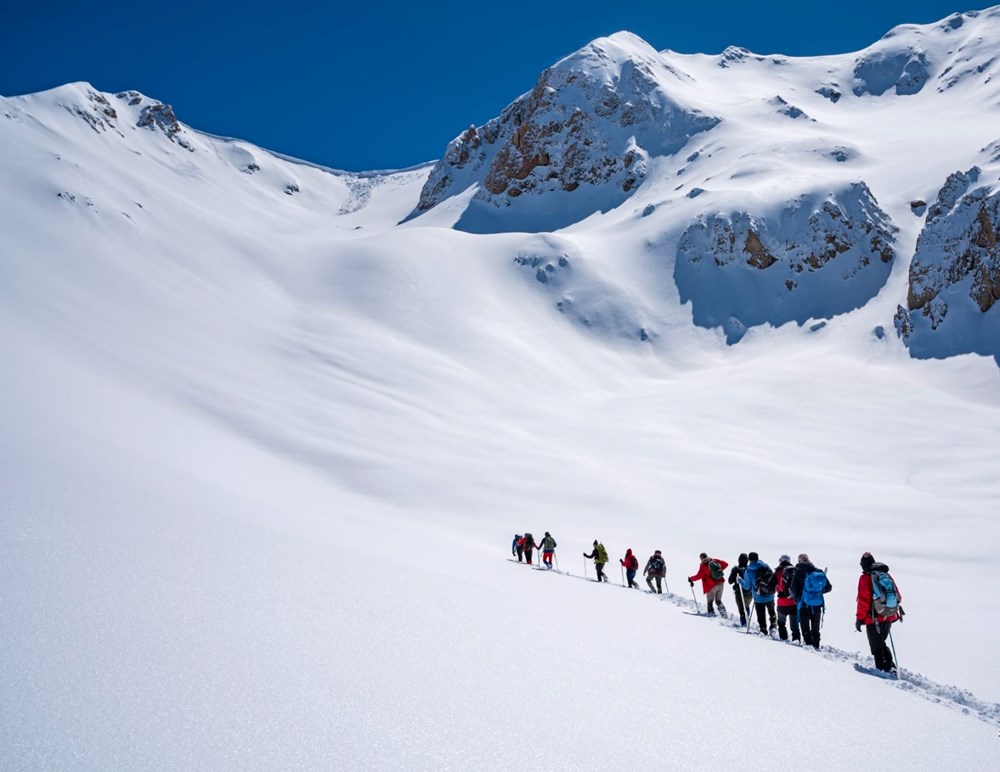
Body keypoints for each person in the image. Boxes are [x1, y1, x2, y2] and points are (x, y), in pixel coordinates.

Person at [855, 552, 902, 674]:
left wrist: (859, 619)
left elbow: (863, 601)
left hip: (873, 618)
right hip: (888, 615)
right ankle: (890, 667)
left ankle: (883, 672)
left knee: (876, 647)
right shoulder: (886, 575)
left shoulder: (865, 578)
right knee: (881, 643)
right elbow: (898, 595)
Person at [791, 553, 831, 649]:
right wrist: (818, 592)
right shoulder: (818, 572)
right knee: (815, 629)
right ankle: (816, 646)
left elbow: (793, 590)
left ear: (799, 561)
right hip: (817, 605)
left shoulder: (798, 573)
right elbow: (828, 587)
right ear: (809, 560)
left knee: (805, 629)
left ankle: (809, 648)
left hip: (804, 605)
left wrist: (797, 599)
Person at [742, 551, 777, 635]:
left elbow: (747, 586)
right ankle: (773, 626)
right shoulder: (765, 566)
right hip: (770, 594)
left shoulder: (748, 570)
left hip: (758, 596)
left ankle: (763, 629)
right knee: (772, 611)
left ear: (749, 559)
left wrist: (740, 580)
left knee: (761, 614)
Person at [775, 554, 800, 642]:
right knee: (795, 625)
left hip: (782, 602)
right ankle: (796, 640)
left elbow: (770, 586)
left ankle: (784, 639)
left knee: (781, 623)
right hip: (794, 601)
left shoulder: (778, 571)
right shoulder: (795, 571)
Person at [728, 553, 751, 626]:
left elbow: (730, 581)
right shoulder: (750, 568)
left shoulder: (735, 569)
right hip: (749, 592)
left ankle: (744, 623)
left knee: (741, 610)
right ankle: (747, 620)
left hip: (739, 593)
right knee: (746, 607)